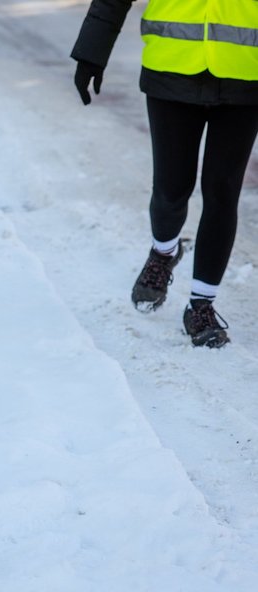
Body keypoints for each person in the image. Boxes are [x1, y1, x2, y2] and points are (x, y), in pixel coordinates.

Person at [72, 0, 258, 348]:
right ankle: (163, 252)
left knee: (222, 192)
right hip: (170, 69)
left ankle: (201, 305)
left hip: (245, 74)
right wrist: (92, 52)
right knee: (171, 190)